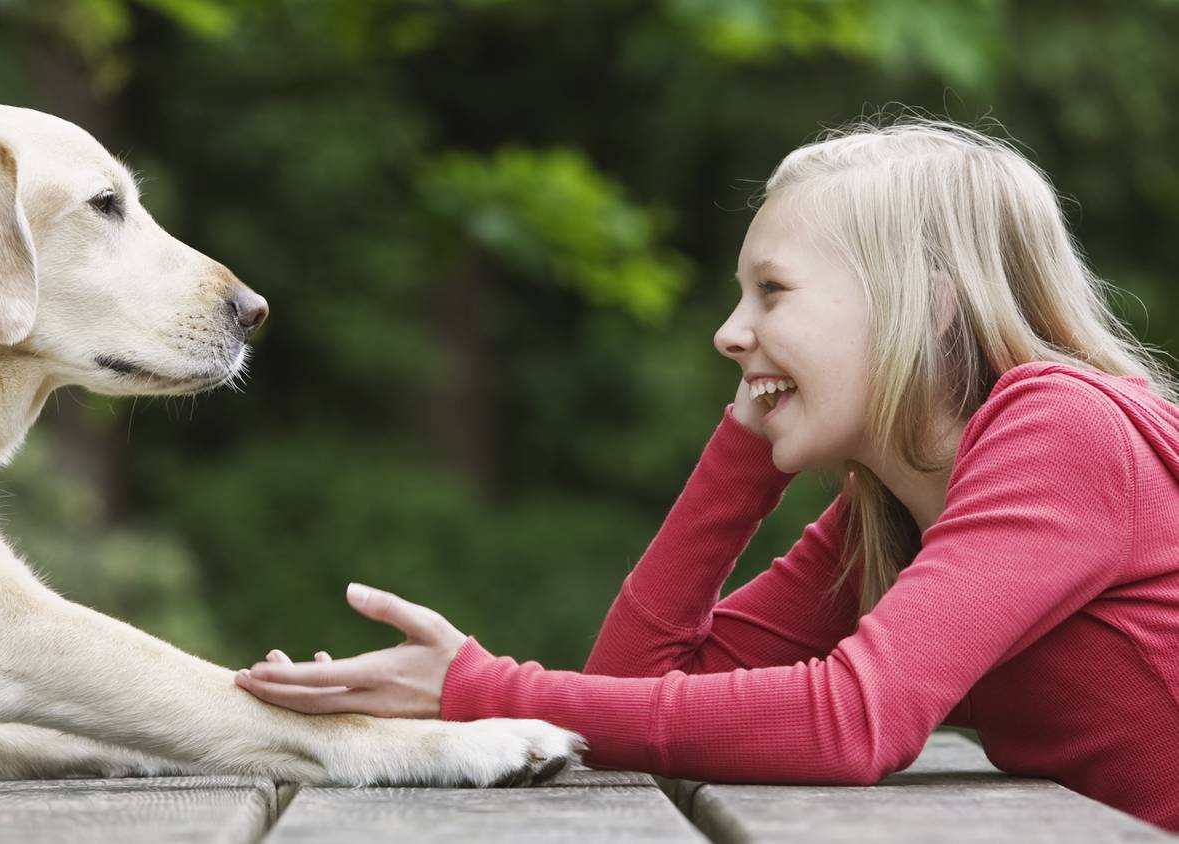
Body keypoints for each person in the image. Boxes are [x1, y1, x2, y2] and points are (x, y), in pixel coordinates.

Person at [233, 117, 1179, 831]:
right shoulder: (892, 509)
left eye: (772, 290)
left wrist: (478, 691)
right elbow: (634, 689)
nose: (729, 332)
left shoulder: (1063, 428)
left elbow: (850, 723)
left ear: (926, 306)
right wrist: (743, 453)